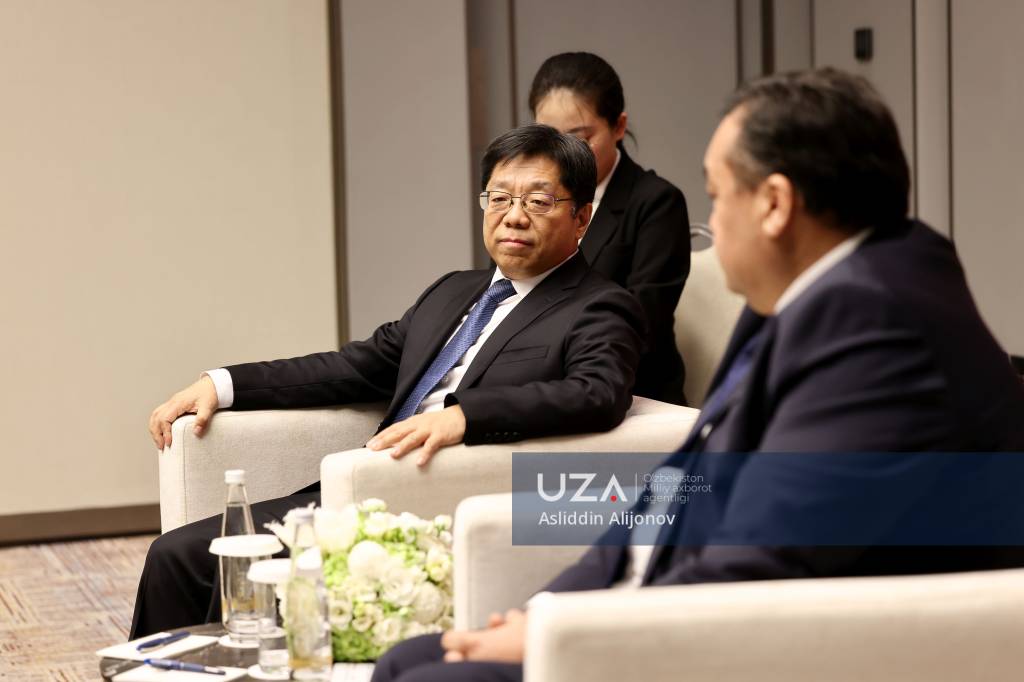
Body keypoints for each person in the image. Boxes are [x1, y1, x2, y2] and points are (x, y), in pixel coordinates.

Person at [372, 68, 1024, 682]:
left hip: (722, 640)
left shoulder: (878, 327)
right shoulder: (806, 291)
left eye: (717, 195)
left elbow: (763, 561)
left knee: (425, 674)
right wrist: (547, 610)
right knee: (405, 660)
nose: (710, 221)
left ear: (774, 204)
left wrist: (565, 633)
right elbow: (680, 485)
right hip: (652, 606)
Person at [131, 124, 645, 638]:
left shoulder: (599, 305)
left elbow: (597, 393)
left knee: (205, 562)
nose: (513, 215)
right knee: (177, 556)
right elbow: (353, 367)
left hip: (434, 504)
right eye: (500, 198)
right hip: (357, 488)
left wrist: (464, 417)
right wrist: (223, 385)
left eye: (538, 201)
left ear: (581, 217)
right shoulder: (453, 290)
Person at [530, 52, 690, 404]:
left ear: (618, 126)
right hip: (537, 382)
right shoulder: (526, 200)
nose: (563, 155)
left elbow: (642, 321)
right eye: (548, 139)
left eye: (580, 138)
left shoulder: (656, 202)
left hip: (628, 391)